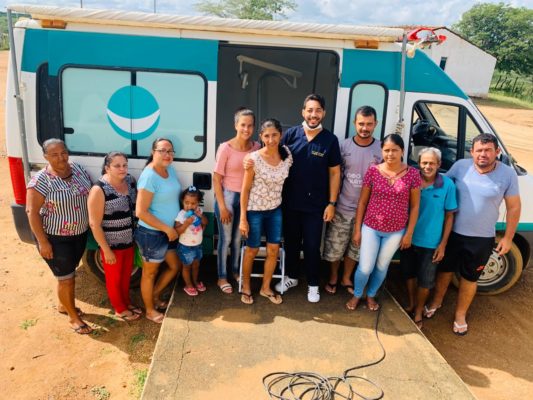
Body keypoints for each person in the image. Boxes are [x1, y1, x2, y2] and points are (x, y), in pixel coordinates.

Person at [426, 133, 520, 335]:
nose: (483, 154)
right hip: (452, 233)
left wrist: (508, 237)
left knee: (470, 277)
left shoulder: (508, 174)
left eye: (488, 150)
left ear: (497, 152)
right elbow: (440, 185)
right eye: (479, 150)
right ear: (472, 152)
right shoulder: (461, 166)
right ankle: (436, 302)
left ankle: (460, 314)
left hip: (481, 238)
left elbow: (513, 207)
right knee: (444, 271)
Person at [274, 94, 342, 303]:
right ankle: (292, 277)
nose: (313, 115)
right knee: (292, 243)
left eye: (318, 110)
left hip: (316, 206)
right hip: (291, 203)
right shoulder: (290, 135)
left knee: (312, 246)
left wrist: (331, 203)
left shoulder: (330, 140)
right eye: (310, 110)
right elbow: (273, 158)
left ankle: (313, 284)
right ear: (303, 112)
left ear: (324, 113)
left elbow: (335, 173)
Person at [346, 133, 421, 312]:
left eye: (395, 150)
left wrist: (409, 233)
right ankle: (357, 294)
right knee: (365, 267)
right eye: (386, 150)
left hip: (396, 231)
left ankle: (371, 295)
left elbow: (415, 206)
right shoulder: (373, 171)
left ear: (402, 151)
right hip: (371, 227)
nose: (390, 154)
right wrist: (358, 230)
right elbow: (362, 202)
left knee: (381, 266)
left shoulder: (412, 174)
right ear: (382, 151)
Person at [26, 139, 93, 334]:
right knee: (66, 279)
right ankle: (73, 318)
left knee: (69, 273)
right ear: (45, 157)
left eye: (63, 152)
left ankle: (64, 305)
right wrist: (43, 242)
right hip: (55, 239)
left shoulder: (78, 170)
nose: (61, 157)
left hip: (79, 234)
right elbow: (32, 212)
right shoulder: (40, 181)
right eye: (54, 154)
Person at [323, 106, 382, 295]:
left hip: (367, 212)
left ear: (376, 124)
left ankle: (346, 277)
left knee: (355, 249)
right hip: (342, 208)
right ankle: (333, 277)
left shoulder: (381, 149)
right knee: (335, 247)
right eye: (361, 124)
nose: (365, 128)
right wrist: (331, 203)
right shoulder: (343, 146)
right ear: (354, 123)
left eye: (369, 124)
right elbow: (334, 175)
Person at [399, 147, 457, 329]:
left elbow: (449, 216)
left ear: (439, 164)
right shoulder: (411, 179)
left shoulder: (447, 185)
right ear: (419, 163)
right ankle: (410, 303)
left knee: (426, 280)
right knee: (409, 274)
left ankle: (418, 311)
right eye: (424, 162)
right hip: (407, 238)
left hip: (431, 243)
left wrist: (443, 244)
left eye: (432, 163)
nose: (427, 166)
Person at [239, 119, 293, 305]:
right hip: (254, 210)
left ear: (280, 135)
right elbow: (245, 190)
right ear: (261, 137)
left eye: (275, 135)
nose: (271, 139)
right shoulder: (253, 159)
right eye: (267, 136)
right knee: (252, 249)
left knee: (273, 250)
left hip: (275, 210)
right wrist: (243, 218)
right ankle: (246, 286)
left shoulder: (287, 156)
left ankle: (265, 287)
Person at [88, 151, 141, 322]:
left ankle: (126, 303)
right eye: (117, 166)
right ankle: (119, 309)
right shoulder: (99, 189)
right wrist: (106, 250)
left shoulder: (130, 181)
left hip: (129, 241)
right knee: (114, 279)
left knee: (126, 276)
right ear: (107, 168)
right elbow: (94, 224)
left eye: (124, 165)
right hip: (112, 245)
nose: (122, 169)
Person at [213, 108, 261, 294]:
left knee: (237, 239)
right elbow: (216, 179)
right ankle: (222, 276)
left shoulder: (257, 148)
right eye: (243, 125)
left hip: (246, 199)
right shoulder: (225, 147)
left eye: (250, 125)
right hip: (227, 196)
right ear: (236, 125)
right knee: (225, 240)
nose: (246, 129)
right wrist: (223, 207)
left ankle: (235, 271)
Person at [135, 138, 182, 324]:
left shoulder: (170, 169)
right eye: (162, 151)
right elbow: (141, 212)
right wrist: (166, 228)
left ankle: (154, 296)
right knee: (150, 273)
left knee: (174, 266)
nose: (167, 155)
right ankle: (149, 310)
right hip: (152, 234)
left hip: (169, 231)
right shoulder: (149, 176)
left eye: (170, 151)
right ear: (153, 151)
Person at [175, 186, 208, 296]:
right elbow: (178, 231)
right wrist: (186, 223)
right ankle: (188, 285)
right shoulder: (181, 215)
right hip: (185, 246)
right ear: (182, 202)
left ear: (198, 203)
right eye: (187, 202)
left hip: (197, 245)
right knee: (186, 266)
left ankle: (195, 281)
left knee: (196, 265)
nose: (189, 206)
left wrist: (201, 215)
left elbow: (205, 222)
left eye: (193, 203)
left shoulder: (199, 211)